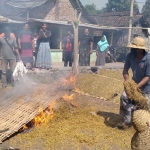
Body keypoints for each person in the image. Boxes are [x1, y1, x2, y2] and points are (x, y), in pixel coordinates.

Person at [118, 37, 150, 129]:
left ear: (141, 49)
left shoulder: (148, 59)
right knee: (124, 97)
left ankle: (145, 125)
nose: (133, 49)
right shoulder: (130, 56)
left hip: (146, 87)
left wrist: (137, 87)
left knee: (145, 104)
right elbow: (125, 70)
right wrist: (127, 81)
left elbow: (148, 76)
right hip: (134, 83)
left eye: (135, 48)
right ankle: (126, 120)